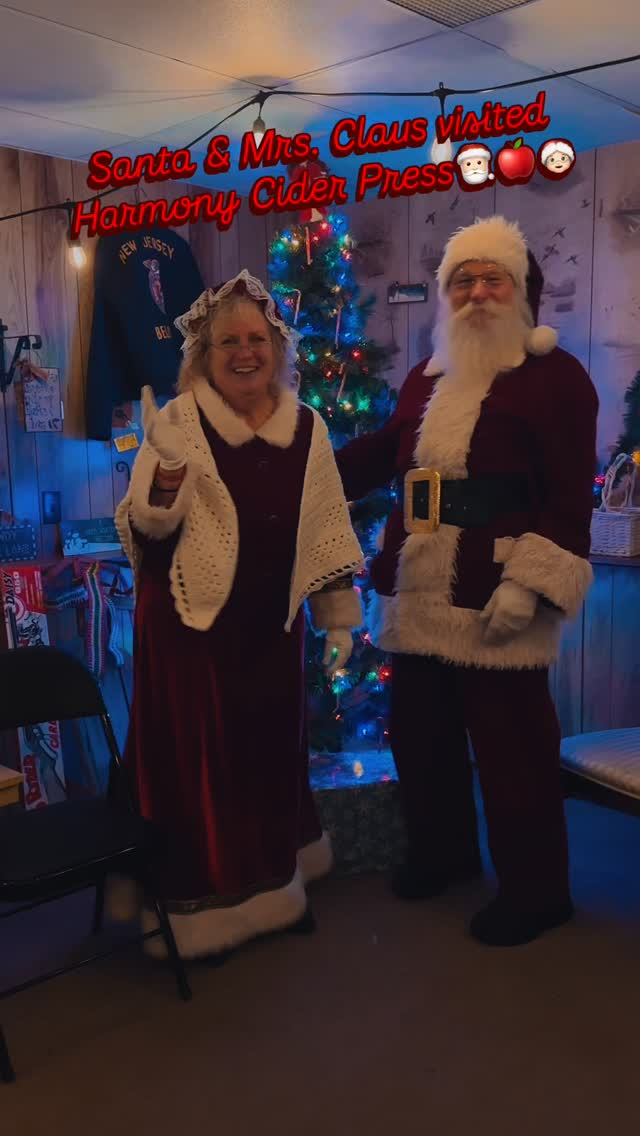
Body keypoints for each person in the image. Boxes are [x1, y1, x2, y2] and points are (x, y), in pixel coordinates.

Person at [335, 215, 599, 947]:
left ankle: (538, 892)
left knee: (514, 751)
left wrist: (529, 585)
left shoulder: (557, 378)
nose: (477, 293)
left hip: (498, 590)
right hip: (418, 587)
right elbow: (384, 452)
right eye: (463, 281)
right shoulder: (426, 376)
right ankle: (444, 853)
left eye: (492, 279)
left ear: (520, 290)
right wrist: (302, 463)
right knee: (422, 738)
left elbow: (569, 497)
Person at [113, 269, 364, 960]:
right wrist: (166, 479)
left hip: (271, 630)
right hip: (189, 628)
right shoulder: (176, 422)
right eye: (228, 341)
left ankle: (274, 890)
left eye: (257, 339)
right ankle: (196, 908)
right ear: (204, 352)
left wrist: (337, 616)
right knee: (198, 770)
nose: (244, 353)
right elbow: (146, 535)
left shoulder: (307, 428)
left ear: (277, 348)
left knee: (268, 758)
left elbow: (326, 528)